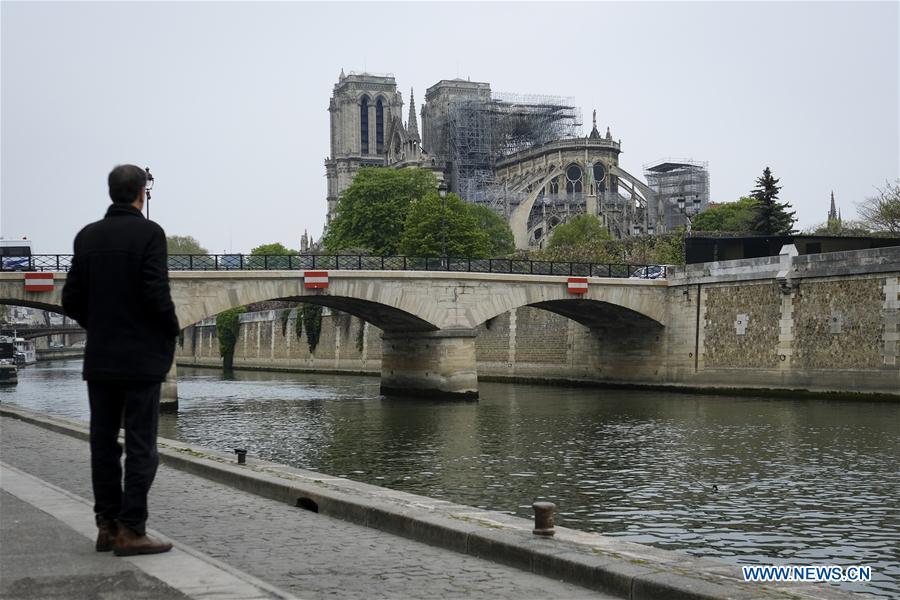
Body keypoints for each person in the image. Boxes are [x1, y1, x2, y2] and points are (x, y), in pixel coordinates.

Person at [62, 164, 179, 556]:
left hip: (101, 358)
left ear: (111, 192)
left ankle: (107, 526)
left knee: (103, 444)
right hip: (141, 358)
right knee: (142, 445)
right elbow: (156, 293)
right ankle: (132, 529)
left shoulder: (87, 236)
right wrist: (170, 330)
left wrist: (100, 325)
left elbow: (71, 299)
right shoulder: (150, 233)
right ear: (142, 194)